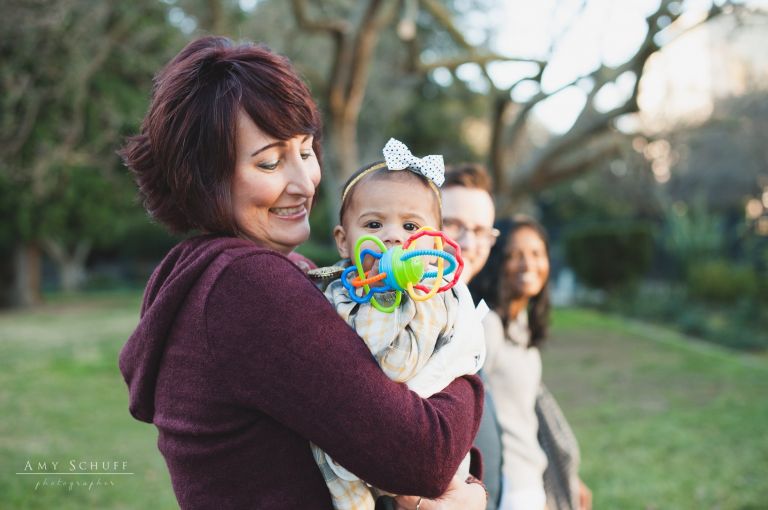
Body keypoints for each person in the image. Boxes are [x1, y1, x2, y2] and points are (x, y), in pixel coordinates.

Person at [117, 36, 487, 510]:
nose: (303, 183)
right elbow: (424, 457)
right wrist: (465, 356)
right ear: (205, 177)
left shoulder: (232, 274)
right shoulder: (245, 286)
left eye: (307, 151)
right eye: (270, 161)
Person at [311, 140, 486, 510]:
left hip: (419, 442)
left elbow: (395, 364)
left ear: (434, 243)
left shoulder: (431, 300)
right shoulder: (338, 290)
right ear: (344, 241)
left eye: (410, 225)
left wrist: (386, 297)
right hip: (352, 444)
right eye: (374, 224)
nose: (392, 236)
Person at [470, 215, 592, 510]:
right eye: (515, 254)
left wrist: (569, 478)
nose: (528, 264)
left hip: (530, 473)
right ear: (497, 261)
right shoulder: (488, 325)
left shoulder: (520, 323)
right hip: (507, 484)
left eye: (537, 253)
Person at [441, 164, 504, 510]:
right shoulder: (415, 316)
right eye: (453, 225)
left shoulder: (467, 310)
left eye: (481, 231)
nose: (468, 243)